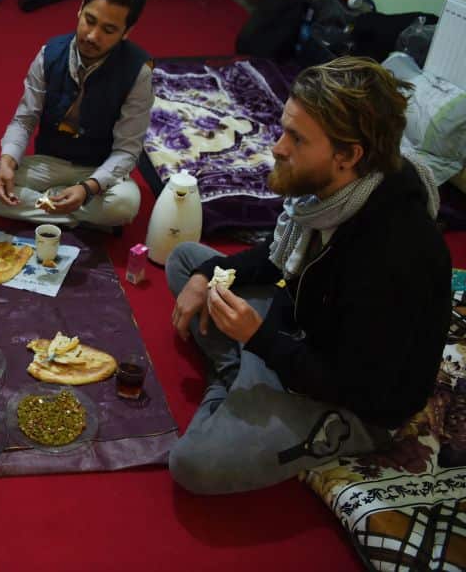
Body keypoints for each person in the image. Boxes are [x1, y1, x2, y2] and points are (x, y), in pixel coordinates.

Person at [166, 56, 451, 495]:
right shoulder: (334, 197)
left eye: (296, 138)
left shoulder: (395, 255)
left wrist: (256, 339)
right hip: (299, 330)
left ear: (348, 155)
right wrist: (208, 275)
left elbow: (362, 388)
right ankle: (244, 378)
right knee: (187, 262)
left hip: (349, 399)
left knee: (195, 465)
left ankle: (239, 379)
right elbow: (283, 258)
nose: (278, 147)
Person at [0, 0, 153, 230]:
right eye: (90, 20)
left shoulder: (138, 72)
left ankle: (51, 204)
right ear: (80, 9)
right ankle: (73, 211)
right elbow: (25, 119)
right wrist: (8, 161)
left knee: (124, 206)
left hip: (98, 170)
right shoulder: (49, 54)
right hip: (48, 163)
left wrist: (88, 188)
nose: (92, 36)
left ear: (126, 32)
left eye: (108, 30)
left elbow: (127, 150)